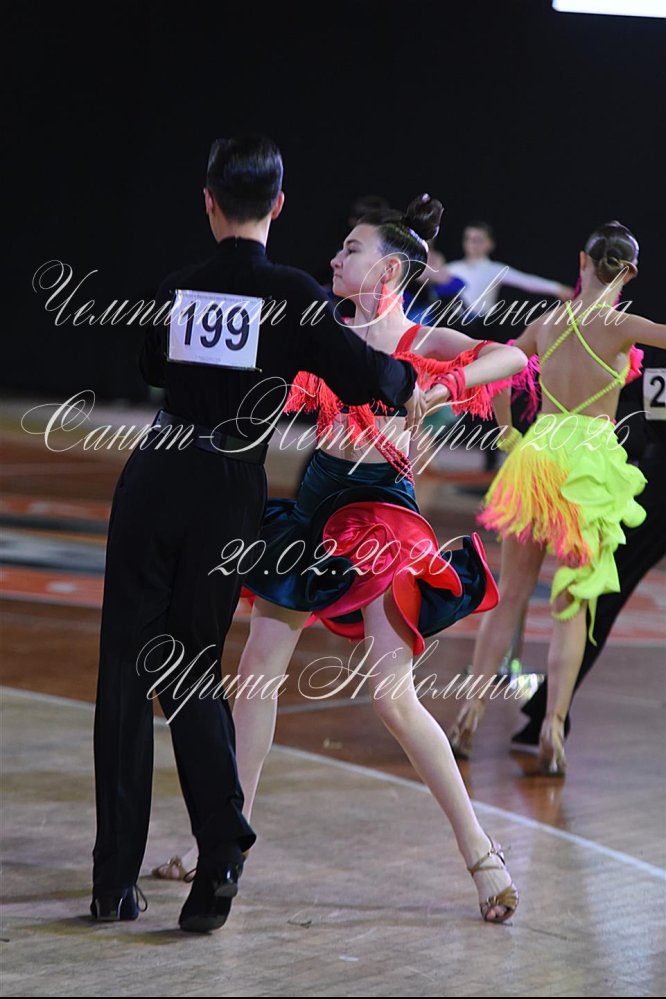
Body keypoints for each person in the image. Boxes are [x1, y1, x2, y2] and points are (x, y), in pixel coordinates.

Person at [152, 193, 527, 923]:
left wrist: (441, 386)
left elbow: (512, 356)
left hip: (382, 517)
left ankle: (482, 852)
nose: (333, 258)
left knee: (393, 697)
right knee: (256, 673)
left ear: (389, 268)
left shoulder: (423, 338)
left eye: (350, 249)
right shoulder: (324, 331)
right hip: (313, 508)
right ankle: (220, 842)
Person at [90, 134, 424, 934]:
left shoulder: (178, 286)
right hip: (227, 491)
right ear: (278, 204)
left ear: (208, 201)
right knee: (194, 667)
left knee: (126, 674)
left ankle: (112, 883)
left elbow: (153, 367)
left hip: (156, 477)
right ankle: (222, 851)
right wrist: (409, 382)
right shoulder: (294, 294)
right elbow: (369, 377)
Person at [446, 221, 666, 775]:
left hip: (537, 453)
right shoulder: (624, 326)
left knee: (512, 596)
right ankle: (552, 727)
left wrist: (507, 433)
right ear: (630, 273)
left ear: (582, 262)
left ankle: (470, 712)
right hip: (588, 462)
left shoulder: (546, 322)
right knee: (572, 604)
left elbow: (500, 373)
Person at [510, 344, 666, 750]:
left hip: (654, 480)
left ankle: (550, 712)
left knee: (598, 591)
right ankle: (550, 712)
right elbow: (647, 408)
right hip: (654, 480)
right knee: (598, 589)